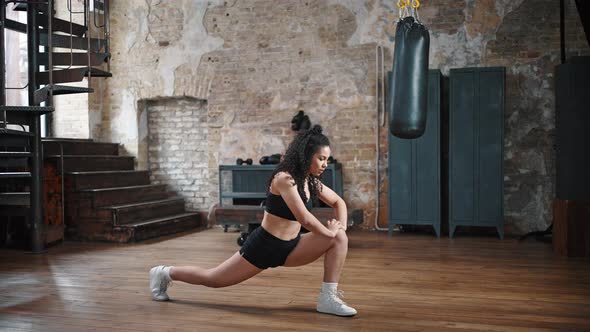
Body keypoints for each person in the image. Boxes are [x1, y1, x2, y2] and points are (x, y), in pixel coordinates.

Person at [149, 125, 357, 317]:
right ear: (306, 156)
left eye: (326, 159)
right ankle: (164, 273)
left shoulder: (309, 180)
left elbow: (338, 202)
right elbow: (305, 218)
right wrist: (328, 232)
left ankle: (327, 298)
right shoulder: (285, 179)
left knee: (339, 238)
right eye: (321, 158)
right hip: (264, 247)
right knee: (213, 279)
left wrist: (341, 228)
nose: (325, 164)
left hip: (292, 246)